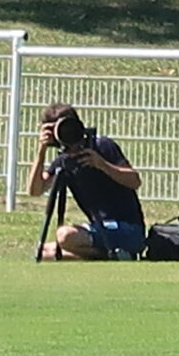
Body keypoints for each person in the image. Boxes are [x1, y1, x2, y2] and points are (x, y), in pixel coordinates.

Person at [30, 102, 147, 260]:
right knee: (44, 252)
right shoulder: (63, 160)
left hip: (128, 230)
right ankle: (112, 255)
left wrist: (102, 165)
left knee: (64, 236)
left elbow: (135, 181)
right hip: (100, 230)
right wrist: (41, 150)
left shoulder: (101, 147)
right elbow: (35, 190)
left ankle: (117, 253)